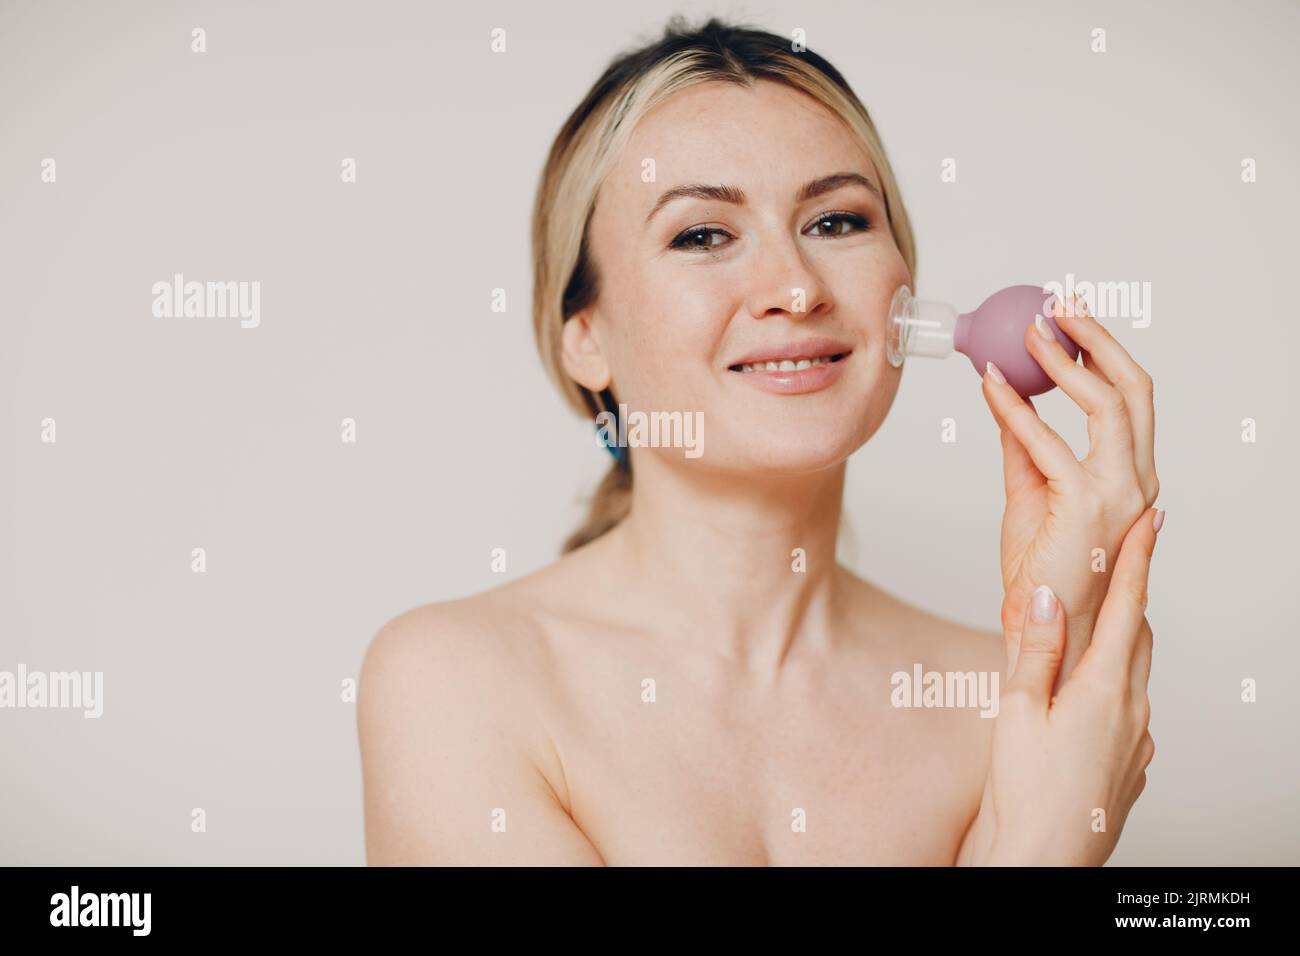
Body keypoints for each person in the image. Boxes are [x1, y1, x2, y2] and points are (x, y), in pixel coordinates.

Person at [358, 17, 1162, 866]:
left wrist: (1069, 625)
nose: (795, 287)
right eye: (702, 234)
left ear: (905, 288)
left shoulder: (999, 700)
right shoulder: (455, 683)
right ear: (586, 335)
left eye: (837, 222)